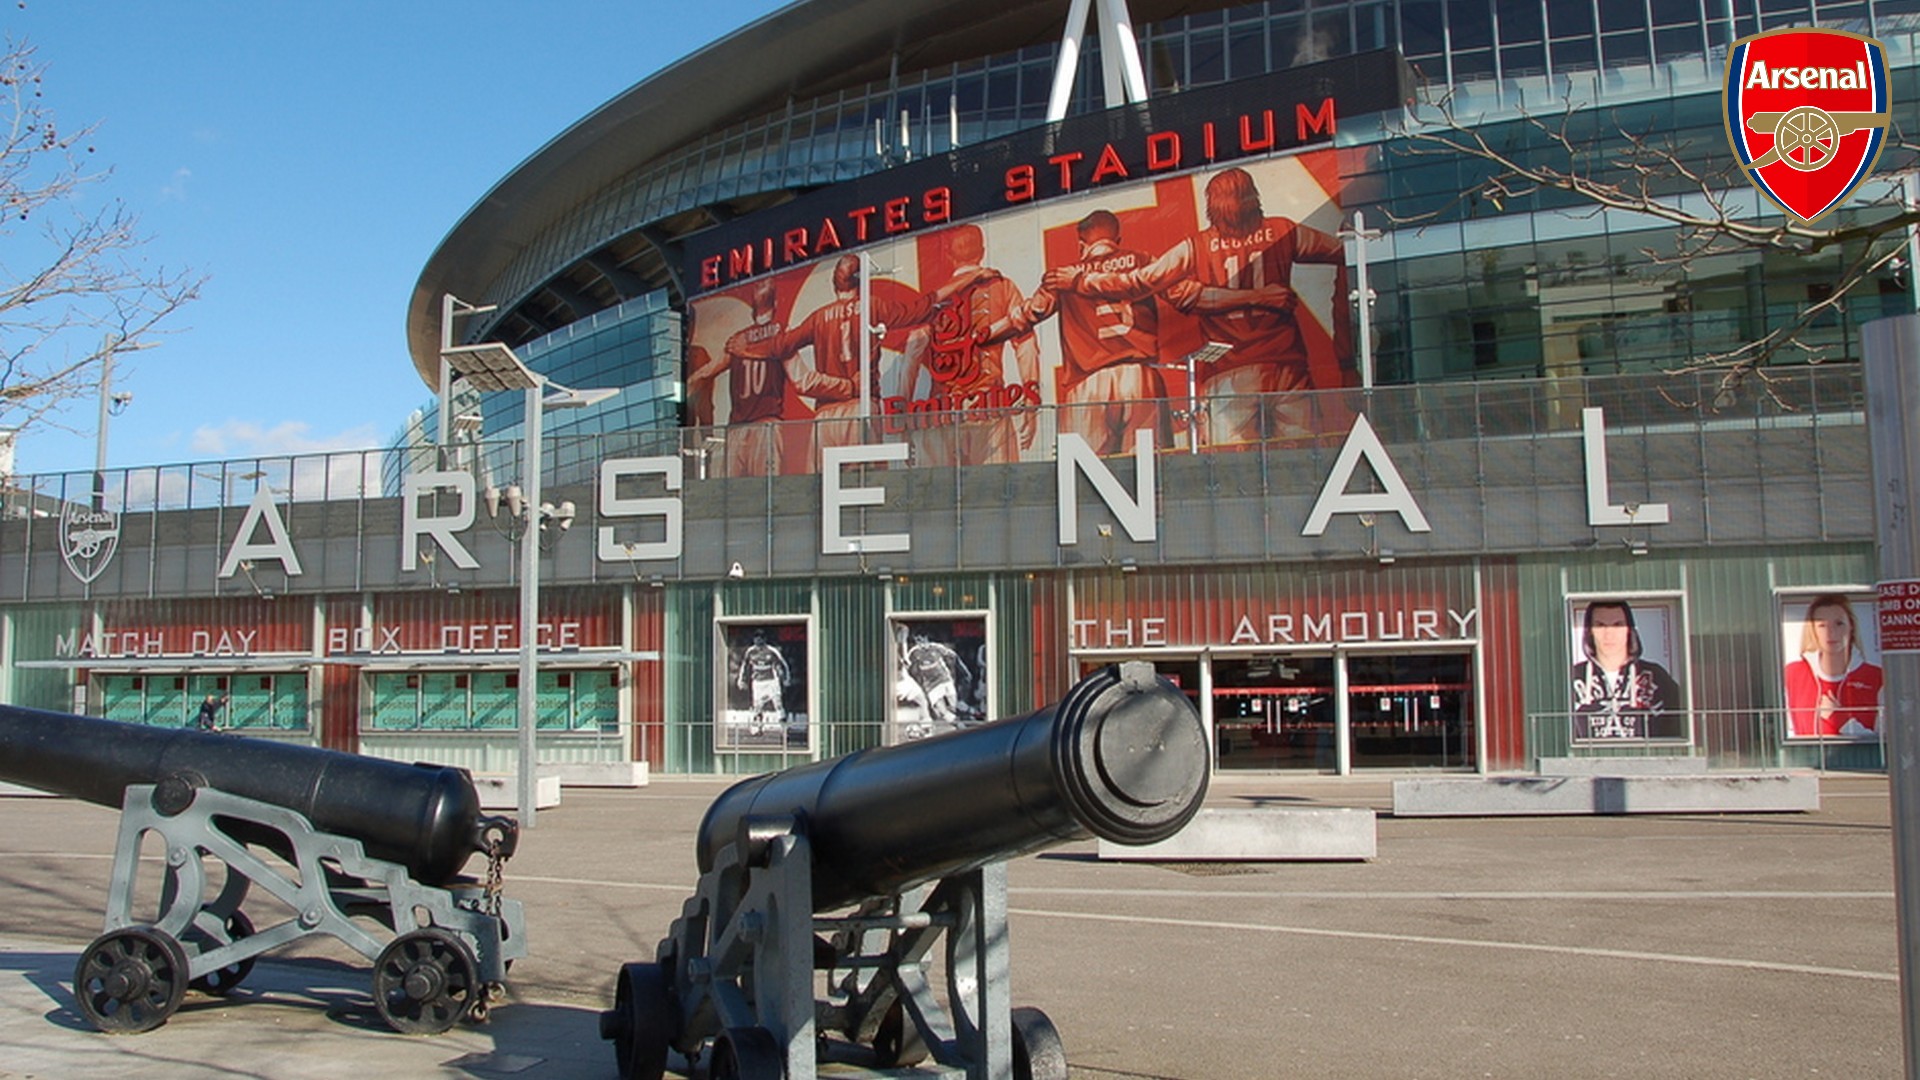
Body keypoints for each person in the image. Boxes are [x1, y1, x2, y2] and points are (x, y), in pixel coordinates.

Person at [1041, 166, 1350, 446]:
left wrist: (1081, 280)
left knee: (1227, 469)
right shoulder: (1283, 229)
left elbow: (1139, 281)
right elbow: (1347, 252)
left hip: (1227, 369)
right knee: (1303, 462)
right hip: (1287, 363)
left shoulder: (1195, 246)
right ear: (1254, 197)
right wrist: (1345, 341)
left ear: (1211, 205)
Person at [975, 209, 1166, 456]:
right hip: (1140, 378)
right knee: (1150, 470)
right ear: (1117, 239)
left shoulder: (1063, 275)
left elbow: (1026, 315)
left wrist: (986, 334)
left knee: (1083, 475)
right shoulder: (1143, 261)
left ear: (1081, 245)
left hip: (1088, 382)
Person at [686, 278, 857, 476]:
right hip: (766, 428)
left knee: (729, 498)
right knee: (768, 495)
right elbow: (803, 381)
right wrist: (848, 386)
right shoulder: (780, 337)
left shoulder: (737, 340)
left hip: (735, 432)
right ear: (775, 305)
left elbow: (704, 374)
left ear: (753, 308)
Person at [1569, 600, 1680, 740]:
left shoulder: (1656, 676)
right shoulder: (1572, 678)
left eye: (1618, 625)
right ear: (1589, 631)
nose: (1609, 634)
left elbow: (1679, 726)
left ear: (1629, 630)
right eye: (1600, 625)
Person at [1784, 593, 1883, 738]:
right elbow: (1787, 733)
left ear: (1851, 627)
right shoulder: (1792, 674)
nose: (1831, 632)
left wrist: (1840, 718)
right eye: (1822, 625)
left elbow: (1885, 741)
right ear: (1813, 631)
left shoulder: (1876, 677)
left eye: (1839, 623)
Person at [735, 629, 793, 738]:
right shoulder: (750, 652)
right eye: (756, 637)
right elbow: (745, 666)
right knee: (757, 707)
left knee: (778, 704)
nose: (758, 639)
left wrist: (786, 679)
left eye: (761, 637)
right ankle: (757, 728)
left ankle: (783, 729)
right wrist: (741, 680)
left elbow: (783, 665)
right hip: (757, 683)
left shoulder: (772, 651)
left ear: (765, 639)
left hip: (771, 682)